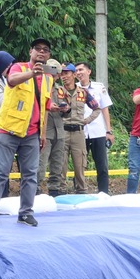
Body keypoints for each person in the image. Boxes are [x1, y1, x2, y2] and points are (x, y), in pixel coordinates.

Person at [0, 39, 54, 227]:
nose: (41, 52)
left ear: (48, 56)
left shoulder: (48, 78)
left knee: (30, 174)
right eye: (37, 49)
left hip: (32, 134)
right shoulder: (18, 68)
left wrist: (44, 132)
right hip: (9, 129)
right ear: (30, 51)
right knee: (0, 172)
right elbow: (11, 82)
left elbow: (45, 106)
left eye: (45, 50)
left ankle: (25, 212)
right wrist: (32, 73)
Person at [76, 62, 114, 194]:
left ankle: (103, 193)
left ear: (89, 71)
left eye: (81, 69)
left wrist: (108, 131)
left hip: (98, 132)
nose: (78, 72)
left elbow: (105, 109)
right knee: (79, 165)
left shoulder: (99, 87)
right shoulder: (73, 88)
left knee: (102, 166)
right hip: (80, 132)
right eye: (76, 71)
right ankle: (80, 191)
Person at [54, 64, 90, 194]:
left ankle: (81, 190)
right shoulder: (57, 91)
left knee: (79, 164)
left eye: (67, 73)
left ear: (74, 75)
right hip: (62, 130)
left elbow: (97, 108)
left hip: (78, 132)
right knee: (60, 163)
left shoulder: (83, 92)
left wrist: (87, 120)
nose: (64, 77)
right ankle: (60, 190)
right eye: (62, 74)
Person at [39, 58, 68, 195]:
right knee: (40, 164)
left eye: (57, 75)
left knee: (58, 164)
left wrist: (66, 109)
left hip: (59, 130)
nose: (55, 77)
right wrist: (47, 107)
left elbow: (69, 110)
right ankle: (35, 190)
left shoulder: (60, 90)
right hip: (44, 131)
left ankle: (55, 190)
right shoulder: (38, 86)